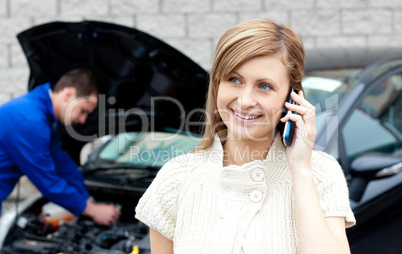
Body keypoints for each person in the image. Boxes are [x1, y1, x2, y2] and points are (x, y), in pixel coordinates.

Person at [136, 19, 356, 253]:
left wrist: (300, 170)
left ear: (291, 98)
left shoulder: (320, 174)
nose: (245, 101)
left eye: (264, 86)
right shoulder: (175, 179)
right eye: (234, 79)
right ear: (217, 84)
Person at [0, 68, 120, 226]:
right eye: (83, 111)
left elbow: (62, 164)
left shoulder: (41, 115)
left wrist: (87, 199)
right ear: (68, 94)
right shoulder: (30, 122)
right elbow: (47, 181)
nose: (83, 120)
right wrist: (91, 210)